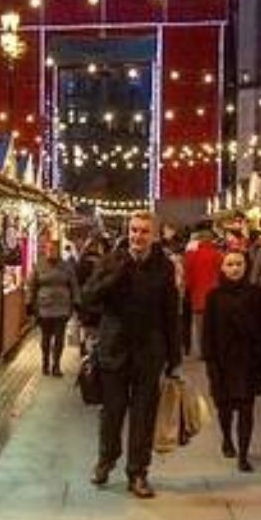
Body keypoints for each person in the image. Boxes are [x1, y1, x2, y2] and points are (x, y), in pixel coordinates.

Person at [81, 210, 182, 499]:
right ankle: (106, 459)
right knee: (111, 412)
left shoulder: (163, 267)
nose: (138, 236)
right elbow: (88, 297)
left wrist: (174, 357)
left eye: (144, 231)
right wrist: (116, 274)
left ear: (154, 235)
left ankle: (138, 472)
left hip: (149, 352)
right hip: (114, 349)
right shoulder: (112, 260)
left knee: (143, 415)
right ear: (128, 231)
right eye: (135, 230)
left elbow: (170, 313)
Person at [201, 249, 261, 471]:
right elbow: (208, 331)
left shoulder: (255, 293)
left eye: (239, 264)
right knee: (224, 407)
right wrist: (209, 360)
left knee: (246, 408)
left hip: (248, 360)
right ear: (222, 268)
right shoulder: (213, 296)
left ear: (246, 266)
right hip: (222, 361)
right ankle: (227, 438)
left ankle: (244, 453)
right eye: (230, 264)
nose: (235, 269)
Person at [28, 243, 80, 377]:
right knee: (45, 337)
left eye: (54, 250)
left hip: (62, 308)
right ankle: (45, 360)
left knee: (59, 337)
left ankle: (56, 364)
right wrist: (29, 304)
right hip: (44, 308)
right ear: (45, 250)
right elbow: (32, 285)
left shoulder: (66, 266)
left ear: (58, 251)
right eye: (49, 249)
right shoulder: (39, 265)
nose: (51, 252)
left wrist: (76, 302)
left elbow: (74, 285)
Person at [181, 227, 225, 360]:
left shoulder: (191, 255)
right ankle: (214, 349)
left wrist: (186, 289)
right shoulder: (218, 255)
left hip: (198, 296)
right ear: (212, 239)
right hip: (216, 296)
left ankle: (203, 351)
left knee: (200, 327)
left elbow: (188, 276)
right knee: (215, 325)